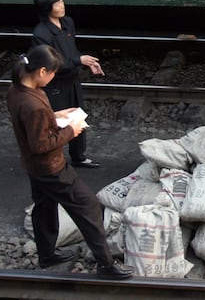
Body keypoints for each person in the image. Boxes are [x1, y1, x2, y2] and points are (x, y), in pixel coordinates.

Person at [7, 44, 134, 279]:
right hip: (51, 169)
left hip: (34, 168)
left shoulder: (18, 90)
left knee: (44, 208)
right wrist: (71, 130)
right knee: (88, 206)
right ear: (42, 71)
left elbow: (31, 125)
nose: (54, 77)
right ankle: (106, 265)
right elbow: (40, 144)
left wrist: (55, 116)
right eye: (53, 73)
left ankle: (46, 255)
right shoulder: (33, 104)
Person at [32, 0, 103, 169]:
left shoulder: (67, 23)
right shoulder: (42, 34)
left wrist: (85, 62)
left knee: (77, 118)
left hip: (72, 79)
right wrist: (78, 60)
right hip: (55, 84)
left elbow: (72, 50)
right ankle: (53, 159)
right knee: (57, 122)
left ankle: (79, 157)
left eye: (62, 1)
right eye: (57, 4)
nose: (62, 6)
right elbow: (50, 63)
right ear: (47, 8)